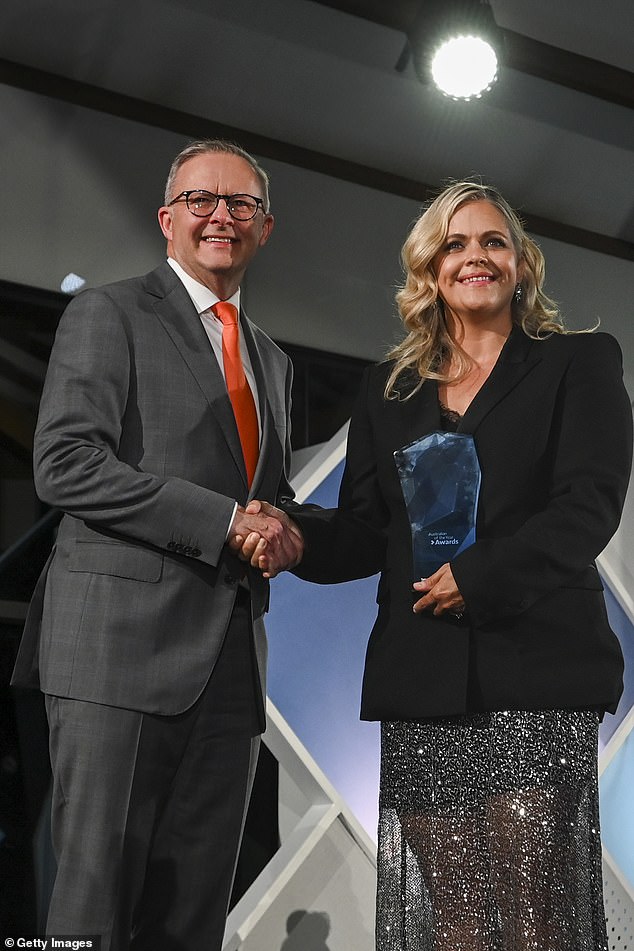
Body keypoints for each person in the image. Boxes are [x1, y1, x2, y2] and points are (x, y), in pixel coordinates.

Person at [238, 182, 633, 950]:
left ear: (522, 265)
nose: (474, 256)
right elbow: (363, 529)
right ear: (429, 266)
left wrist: (479, 577)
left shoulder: (580, 362)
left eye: (492, 241)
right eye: (455, 244)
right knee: (451, 920)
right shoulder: (392, 388)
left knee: (532, 918)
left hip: (536, 673)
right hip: (421, 675)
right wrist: (296, 538)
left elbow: (587, 507)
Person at [11, 139, 303, 950]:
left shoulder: (274, 362)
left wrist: (279, 528)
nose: (221, 215)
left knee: (191, 917)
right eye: (202, 199)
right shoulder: (108, 312)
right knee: (92, 908)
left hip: (230, 673)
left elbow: (258, 500)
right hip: (115, 657)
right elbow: (65, 463)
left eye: (240, 203)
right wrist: (223, 520)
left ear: (265, 227)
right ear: (166, 219)